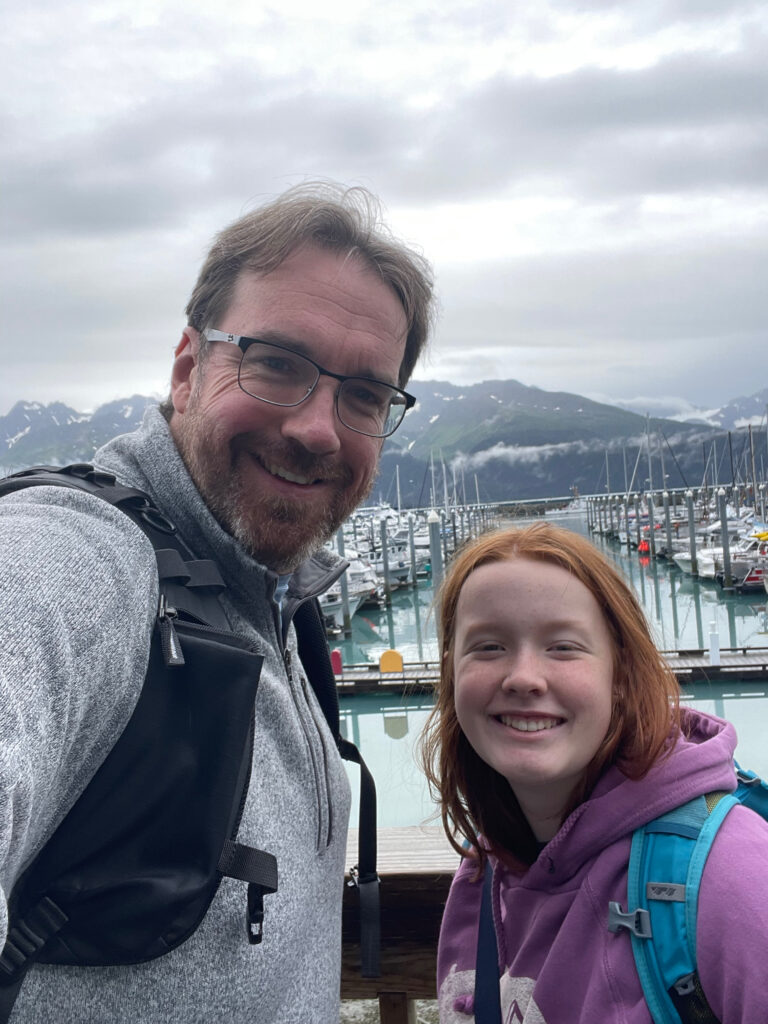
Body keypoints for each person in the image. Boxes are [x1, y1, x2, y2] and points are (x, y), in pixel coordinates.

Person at [0, 182, 434, 1022]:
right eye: (277, 364)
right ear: (189, 368)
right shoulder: (79, 556)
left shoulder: (278, 594)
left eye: (364, 396)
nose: (318, 428)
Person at [420, 522, 768, 1023]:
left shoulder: (727, 875)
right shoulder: (487, 865)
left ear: (620, 675)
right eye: (489, 646)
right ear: (451, 671)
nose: (522, 676)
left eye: (562, 646)